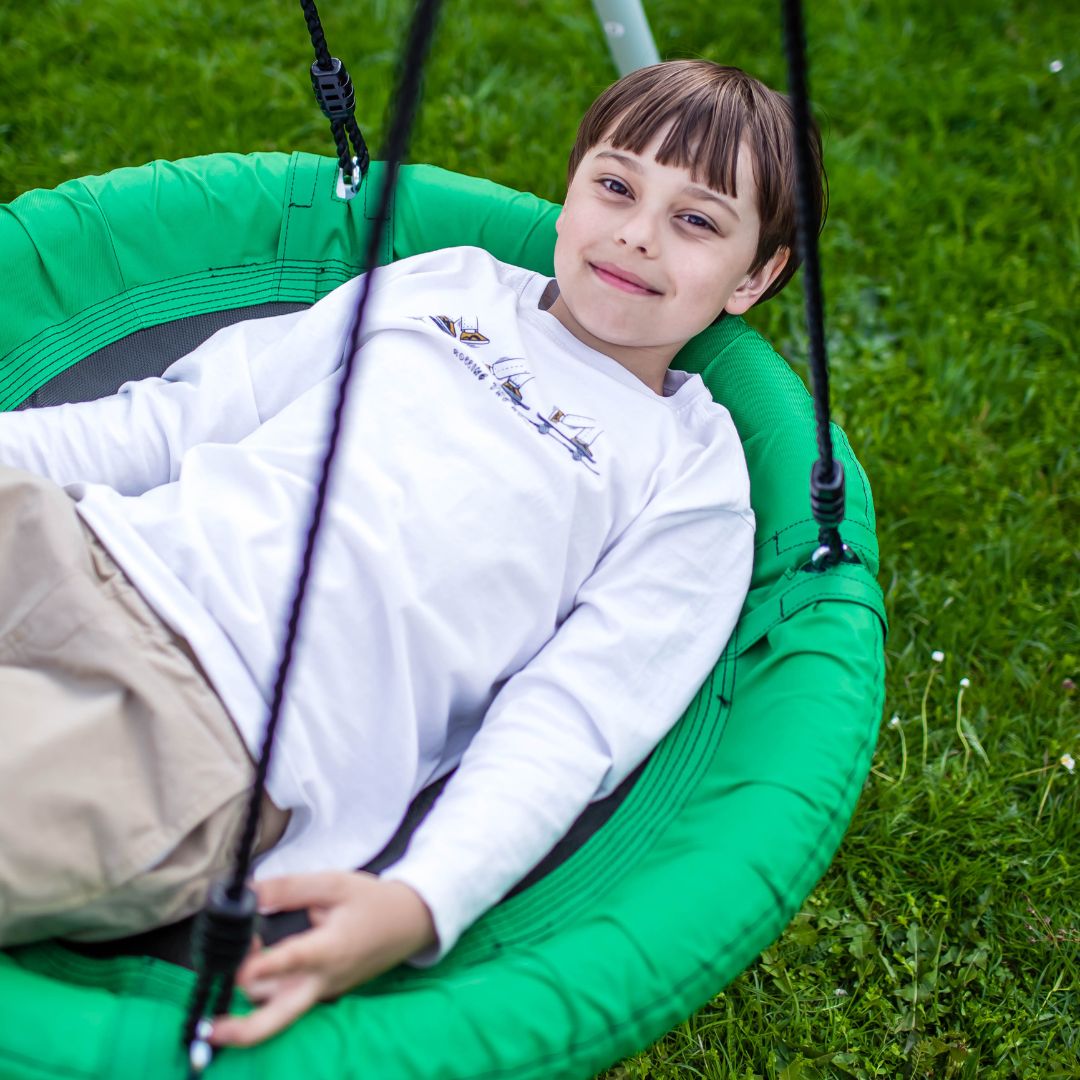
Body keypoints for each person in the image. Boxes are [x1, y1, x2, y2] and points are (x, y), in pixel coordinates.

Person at [0, 60, 824, 1046]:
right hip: (87, 546)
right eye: (615, 185)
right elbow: (180, 420)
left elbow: (571, 719)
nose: (638, 233)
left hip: (212, 721)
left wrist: (425, 898)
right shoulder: (448, 285)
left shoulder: (688, 479)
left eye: (697, 221)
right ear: (567, 195)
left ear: (758, 276)